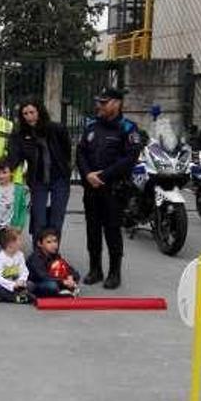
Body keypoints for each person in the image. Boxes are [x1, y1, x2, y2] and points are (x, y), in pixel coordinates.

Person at [77, 87, 142, 289]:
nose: (100, 105)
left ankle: (115, 272)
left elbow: (129, 158)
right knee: (92, 230)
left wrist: (103, 176)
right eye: (99, 101)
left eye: (104, 102)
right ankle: (95, 269)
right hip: (91, 188)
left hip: (113, 189)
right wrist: (88, 174)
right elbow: (80, 152)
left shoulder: (127, 128)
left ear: (117, 103)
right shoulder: (92, 126)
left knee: (112, 231)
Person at [7, 97, 72, 244]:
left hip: (59, 180)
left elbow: (66, 151)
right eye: (25, 114)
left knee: (57, 218)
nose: (29, 117)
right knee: (39, 218)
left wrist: (66, 169)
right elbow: (15, 157)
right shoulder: (20, 135)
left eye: (32, 112)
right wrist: (4, 172)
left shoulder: (57, 129)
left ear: (39, 112)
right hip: (38, 180)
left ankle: (52, 252)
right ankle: (39, 252)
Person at [0, 159, 29, 261]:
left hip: (12, 228)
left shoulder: (19, 190)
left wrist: (19, 226)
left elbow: (22, 210)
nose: (1, 176)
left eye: (4, 172)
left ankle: (12, 273)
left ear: (11, 173)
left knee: (13, 252)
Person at [27, 228, 81, 297]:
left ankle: (63, 291)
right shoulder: (35, 258)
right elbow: (43, 276)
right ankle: (62, 292)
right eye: (49, 242)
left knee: (72, 280)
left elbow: (72, 271)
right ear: (39, 244)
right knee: (52, 286)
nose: (53, 245)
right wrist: (63, 281)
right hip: (37, 282)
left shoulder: (55, 256)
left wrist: (70, 277)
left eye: (55, 241)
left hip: (54, 280)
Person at [0, 228, 32, 304]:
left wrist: (21, 280)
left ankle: (2, 297)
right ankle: (15, 298)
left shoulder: (20, 255)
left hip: (17, 284)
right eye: (18, 240)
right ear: (10, 244)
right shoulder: (0, 257)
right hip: (5, 285)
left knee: (31, 285)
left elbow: (24, 270)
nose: (21, 242)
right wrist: (12, 285)